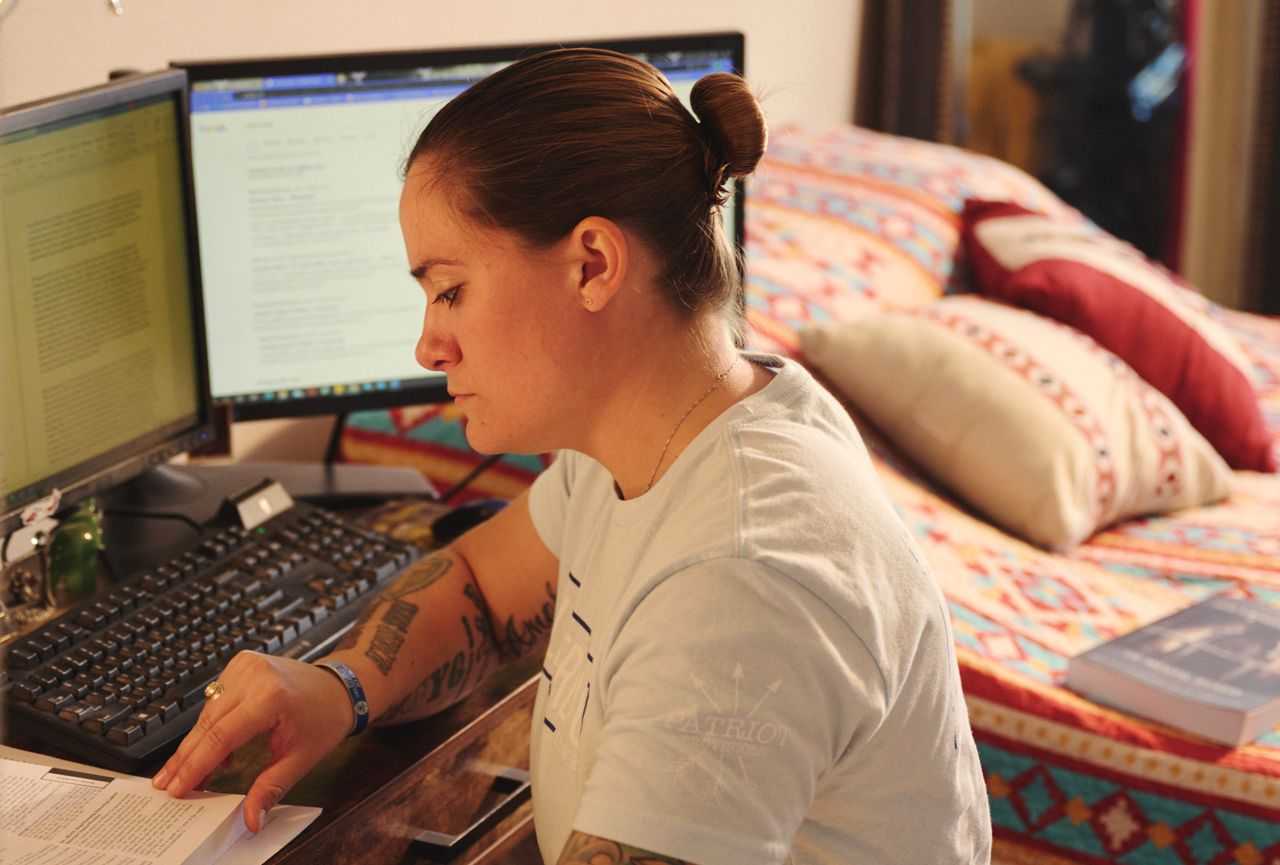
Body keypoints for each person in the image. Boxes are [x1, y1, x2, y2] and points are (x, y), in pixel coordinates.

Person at [153, 47, 993, 865]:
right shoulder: (653, 436)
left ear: (592, 263)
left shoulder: (739, 580)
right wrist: (339, 688)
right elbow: (482, 587)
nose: (427, 345)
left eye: (450, 289)